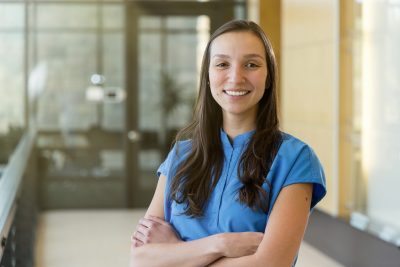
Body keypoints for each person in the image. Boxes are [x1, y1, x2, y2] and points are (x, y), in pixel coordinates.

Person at [130, 19, 326, 267]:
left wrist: (176, 254)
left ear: (268, 78)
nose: (236, 77)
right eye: (222, 64)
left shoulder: (295, 159)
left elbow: (271, 263)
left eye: (251, 64)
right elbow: (141, 260)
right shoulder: (181, 154)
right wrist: (221, 244)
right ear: (208, 76)